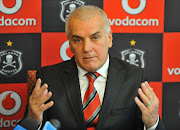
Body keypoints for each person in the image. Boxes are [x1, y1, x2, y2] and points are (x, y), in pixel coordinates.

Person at [24, 5, 165, 130]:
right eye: (78, 40)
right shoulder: (48, 78)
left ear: (109, 39)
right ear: (70, 45)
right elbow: (30, 126)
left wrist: (152, 123)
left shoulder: (134, 77)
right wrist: (33, 120)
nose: (87, 48)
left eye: (95, 37)